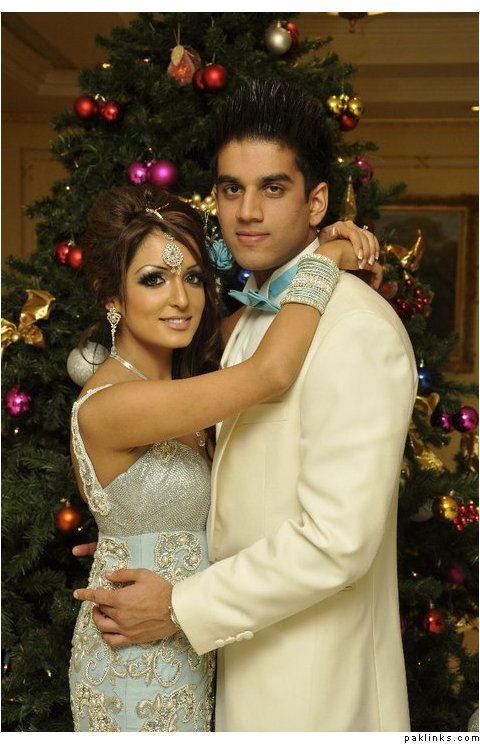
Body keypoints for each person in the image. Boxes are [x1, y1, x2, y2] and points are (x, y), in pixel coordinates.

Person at [74, 79, 417, 732]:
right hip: (223, 669)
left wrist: (181, 604)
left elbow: (338, 542)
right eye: (232, 189)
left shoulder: (355, 328)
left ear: (317, 201)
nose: (248, 212)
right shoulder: (250, 322)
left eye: (273, 188)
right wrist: (144, 541)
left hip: (315, 690)